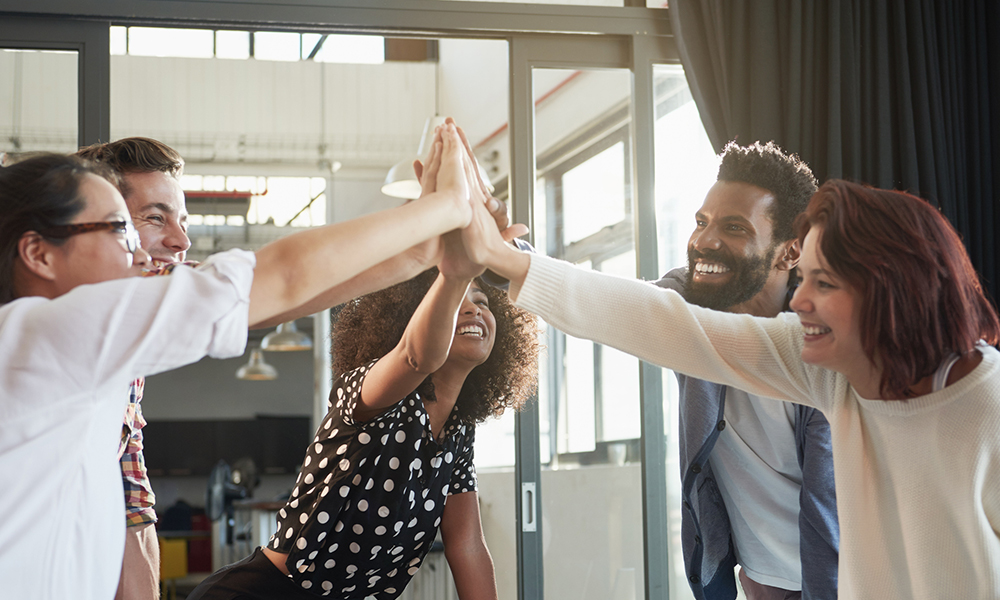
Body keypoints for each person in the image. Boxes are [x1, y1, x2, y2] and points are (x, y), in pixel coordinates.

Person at [0, 122, 500, 600]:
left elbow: (286, 297)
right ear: (39, 254)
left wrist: (432, 255)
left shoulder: (78, 352)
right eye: (122, 230)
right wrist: (444, 210)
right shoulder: (56, 335)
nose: (167, 246)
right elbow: (283, 276)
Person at [463, 178, 1000, 599]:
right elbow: (648, 318)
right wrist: (504, 258)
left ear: (889, 289)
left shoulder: (987, 409)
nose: (801, 301)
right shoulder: (825, 368)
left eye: (825, 283)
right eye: (805, 278)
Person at [185, 264, 539, 599]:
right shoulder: (369, 392)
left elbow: (468, 545)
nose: (474, 310)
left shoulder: (458, 432)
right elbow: (415, 357)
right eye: (454, 299)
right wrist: (456, 269)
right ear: (412, 321)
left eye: (482, 302)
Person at [654, 141, 837, 600]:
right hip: (759, 580)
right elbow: (602, 300)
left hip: (842, 578)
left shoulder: (823, 344)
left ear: (789, 252)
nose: (704, 241)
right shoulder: (689, 313)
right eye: (701, 222)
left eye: (733, 227)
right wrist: (506, 259)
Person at [75, 136, 190, 600]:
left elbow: (131, 484)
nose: (180, 241)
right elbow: (283, 279)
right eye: (155, 218)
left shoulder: (127, 344)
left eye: (182, 221)